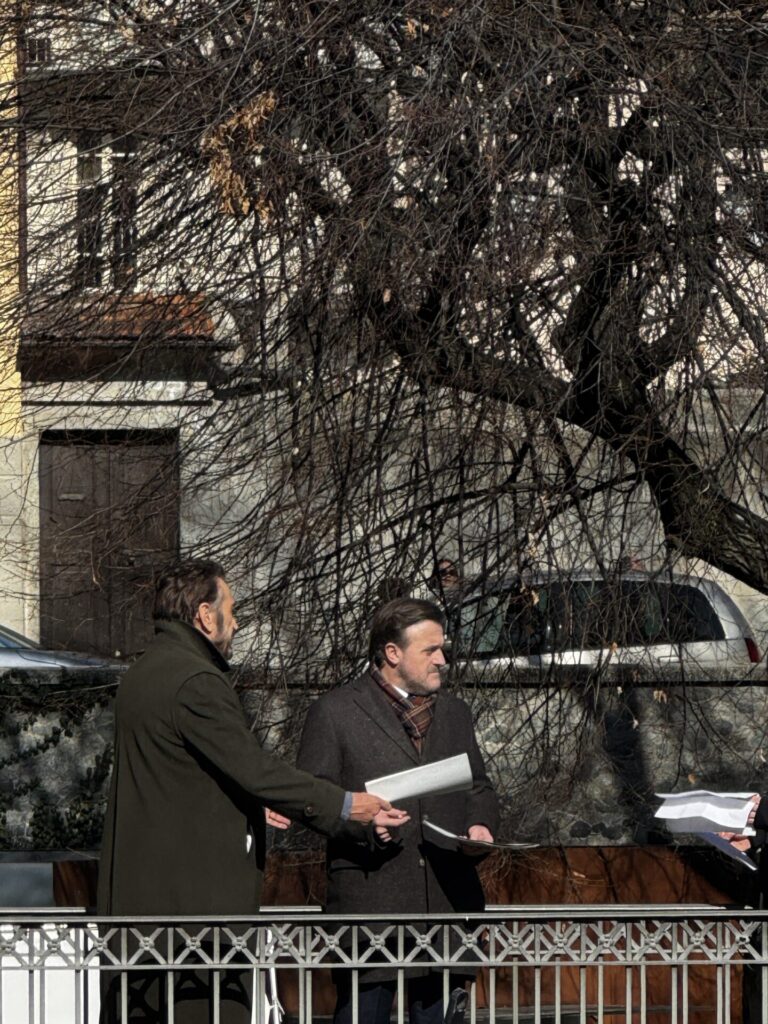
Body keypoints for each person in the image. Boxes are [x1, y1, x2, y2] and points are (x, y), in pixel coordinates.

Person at [97, 559, 404, 1024]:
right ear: (205, 615)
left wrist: (242, 809)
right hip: (196, 925)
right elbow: (256, 770)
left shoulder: (144, 674)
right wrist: (345, 805)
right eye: (231, 609)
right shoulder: (197, 680)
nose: (236, 622)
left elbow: (174, 781)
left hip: (143, 916)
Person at [296, 597, 500, 1024]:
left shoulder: (456, 714)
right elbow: (311, 801)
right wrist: (365, 824)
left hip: (447, 902)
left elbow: (478, 785)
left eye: (443, 649)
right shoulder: (333, 712)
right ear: (393, 653)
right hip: (372, 905)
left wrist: (479, 824)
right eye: (430, 650)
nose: (443, 660)